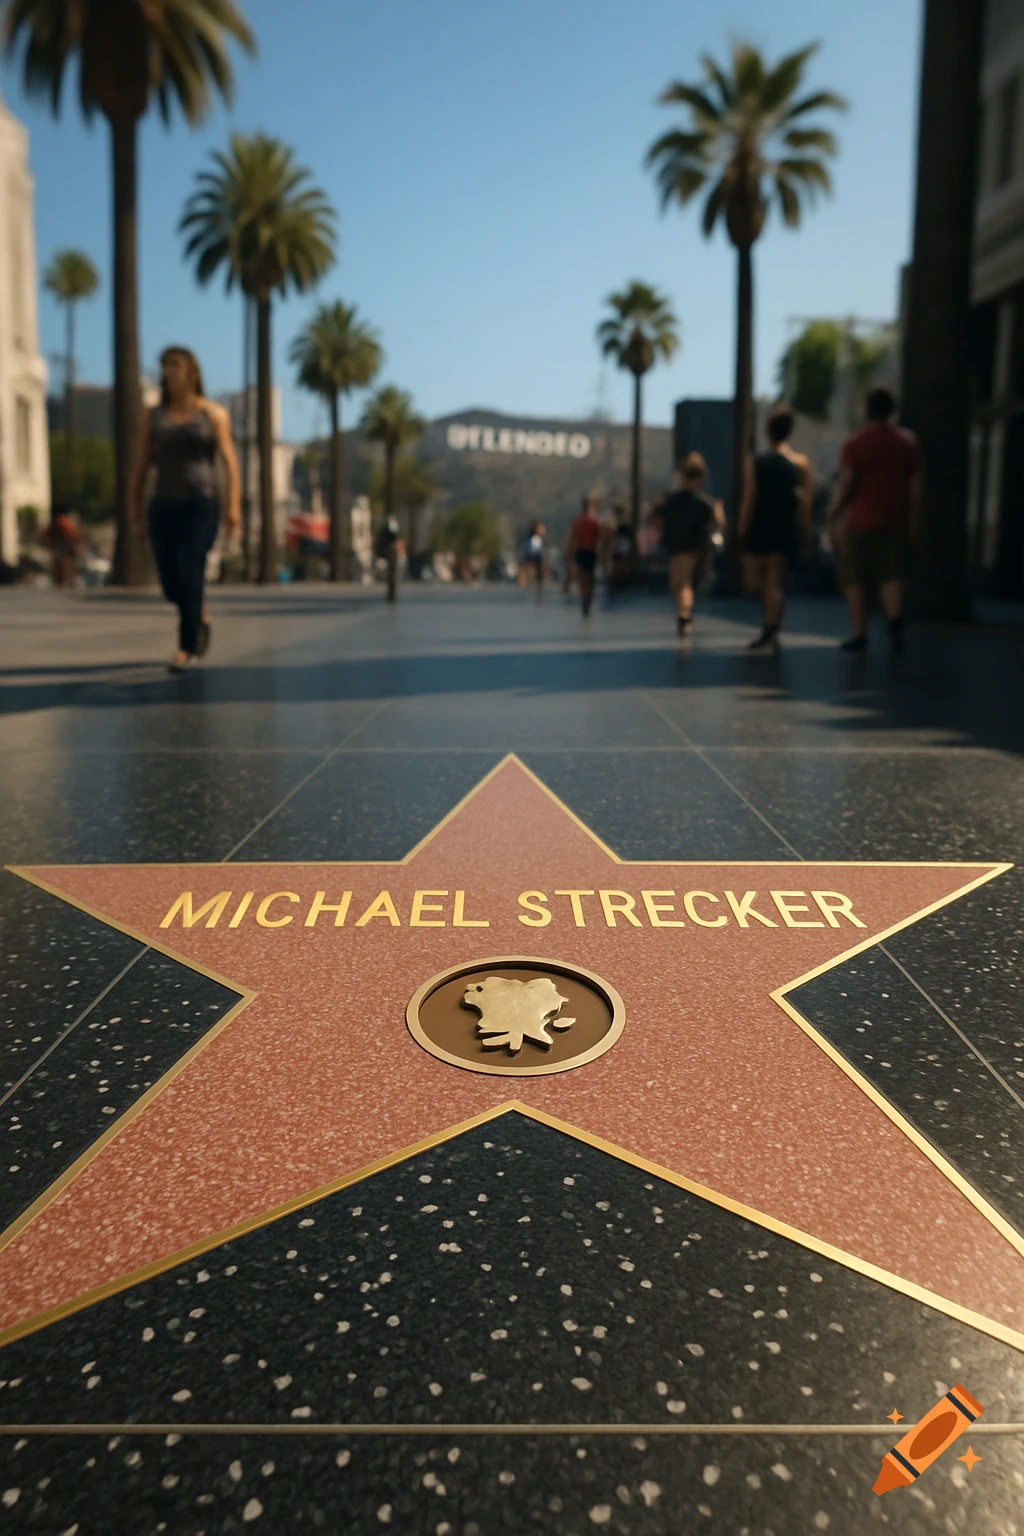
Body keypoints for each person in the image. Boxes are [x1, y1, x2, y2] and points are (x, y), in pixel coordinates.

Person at [131, 346, 240, 672]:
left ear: (191, 371)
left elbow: (229, 463)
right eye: (164, 367)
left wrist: (233, 507)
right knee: (170, 583)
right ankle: (198, 614)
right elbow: (141, 465)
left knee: (192, 570)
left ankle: (186, 647)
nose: (169, 373)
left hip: (200, 506)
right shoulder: (154, 415)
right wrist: (135, 509)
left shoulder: (213, 414)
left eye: (175, 366)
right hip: (163, 506)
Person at [829, 387, 922, 654]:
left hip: (861, 519)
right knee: (890, 575)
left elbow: (847, 485)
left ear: (868, 410)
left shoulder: (856, 443)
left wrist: (834, 513)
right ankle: (895, 619)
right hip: (895, 519)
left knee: (854, 577)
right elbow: (916, 486)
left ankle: (860, 633)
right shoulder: (907, 442)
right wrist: (914, 520)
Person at [739, 407, 813, 651]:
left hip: (762, 523)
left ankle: (769, 626)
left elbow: (750, 497)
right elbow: (806, 502)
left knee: (761, 581)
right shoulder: (800, 463)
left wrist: (742, 526)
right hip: (785, 524)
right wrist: (804, 530)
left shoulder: (756, 462)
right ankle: (773, 625)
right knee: (775, 580)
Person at [657, 454, 724, 635]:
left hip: (681, 545)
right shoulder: (705, 501)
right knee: (681, 582)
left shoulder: (673, 499)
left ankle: (684, 613)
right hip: (697, 545)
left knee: (681, 582)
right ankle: (685, 612)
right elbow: (718, 522)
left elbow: (658, 518)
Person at [565, 495, 602, 616]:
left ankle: (585, 600)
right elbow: (601, 539)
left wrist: (569, 554)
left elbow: (573, 539)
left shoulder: (579, 521)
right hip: (590, 551)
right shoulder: (596, 521)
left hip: (582, 551)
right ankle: (587, 599)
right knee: (589, 578)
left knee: (584, 579)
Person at [45, 501, 83, 589]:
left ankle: (64, 582)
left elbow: (72, 536)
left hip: (65, 546)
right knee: (63, 565)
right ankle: (64, 582)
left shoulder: (62, 523)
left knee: (64, 566)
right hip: (63, 546)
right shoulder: (64, 522)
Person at [375, 515, 401, 601]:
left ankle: (392, 594)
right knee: (391, 575)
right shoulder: (387, 530)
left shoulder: (386, 531)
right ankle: (391, 594)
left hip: (390, 554)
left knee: (392, 575)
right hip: (390, 554)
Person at [519, 521, 546, 589]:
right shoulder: (529, 537)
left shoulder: (539, 537)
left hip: (537, 554)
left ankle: (540, 581)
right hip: (530, 553)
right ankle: (525, 580)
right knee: (527, 567)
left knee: (539, 568)